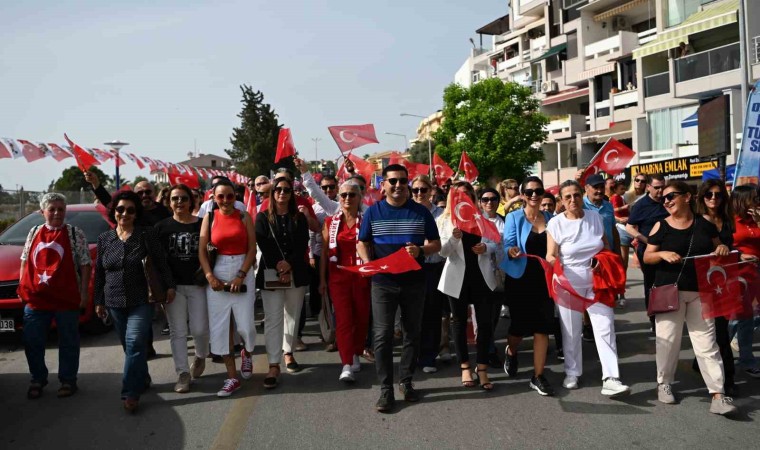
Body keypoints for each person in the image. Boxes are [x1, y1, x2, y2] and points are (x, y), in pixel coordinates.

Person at [643, 180, 736, 416]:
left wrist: (722, 249)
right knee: (668, 341)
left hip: (701, 292)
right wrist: (662, 253)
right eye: (664, 198)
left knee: (707, 344)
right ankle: (664, 383)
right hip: (669, 291)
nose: (667, 201)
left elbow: (718, 249)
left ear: (687, 197)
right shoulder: (660, 226)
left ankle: (718, 394)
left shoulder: (704, 224)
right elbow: (647, 257)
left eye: (671, 196)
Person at [357, 164, 441, 413]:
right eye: (392, 181)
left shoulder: (421, 212)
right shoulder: (373, 212)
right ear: (383, 185)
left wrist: (421, 250)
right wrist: (368, 263)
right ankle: (386, 389)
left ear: (408, 184)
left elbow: (436, 244)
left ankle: (406, 380)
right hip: (383, 283)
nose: (398, 185)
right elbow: (363, 242)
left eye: (402, 181)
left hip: (414, 282)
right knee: (382, 336)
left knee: (411, 333)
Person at [546, 180, 630, 397]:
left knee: (605, 326)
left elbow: (606, 245)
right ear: (562, 201)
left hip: (597, 281)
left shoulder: (595, 217)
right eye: (567, 197)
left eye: (576, 195)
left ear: (582, 195)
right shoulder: (555, 223)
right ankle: (572, 372)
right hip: (569, 284)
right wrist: (555, 265)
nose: (572, 200)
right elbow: (551, 253)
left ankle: (611, 377)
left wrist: (604, 261)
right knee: (571, 330)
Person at [94, 191, 176, 412]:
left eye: (130, 210)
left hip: (141, 299)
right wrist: (99, 301)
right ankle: (143, 377)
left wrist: (169, 286)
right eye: (121, 209)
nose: (125, 213)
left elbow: (161, 262)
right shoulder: (105, 239)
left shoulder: (145, 235)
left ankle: (130, 392)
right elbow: (100, 273)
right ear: (114, 212)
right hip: (114, 301)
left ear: (136, 213)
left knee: (134, 344)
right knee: (129, 347)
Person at [18, 193, 91, 399]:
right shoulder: (33, 232)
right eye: (52, 209)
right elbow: (24, 261)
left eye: (61, 209)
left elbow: (85, 265)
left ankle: (68, 380)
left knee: (68, 342)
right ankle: (37, 379)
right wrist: (23, 288)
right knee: (33, 341)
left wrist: (83, 294)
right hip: (36, 300)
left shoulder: (75, 234)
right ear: (43, 212)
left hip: (66, 300)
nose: (57, 213)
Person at [437, 181, 498, 391]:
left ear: (472, 197)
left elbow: (496, 242)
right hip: (456, 279)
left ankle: (482, 368)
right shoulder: (444, 220)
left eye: (467, 194)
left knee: (485, 323)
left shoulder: (481, 218)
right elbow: (442, 252)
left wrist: (486, 248)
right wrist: (454, 239)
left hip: (481, 277)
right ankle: (464, 366)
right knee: (459, 323)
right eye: (458, 195)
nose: (462, 198)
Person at [198, 179, 257, 397]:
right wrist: (209, 276)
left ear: (236, 197)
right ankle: (232, 377)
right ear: (213, 197)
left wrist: (241, 274)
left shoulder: (244, 216)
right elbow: (202, 250)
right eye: (220, 196)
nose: (225, 200)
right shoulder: (209, 218)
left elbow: (252, 248)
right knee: (220, 329)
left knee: (246, 326)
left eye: (229, 196)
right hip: (218, 269)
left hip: (242, 268)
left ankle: (247, 353)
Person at [502, 177, 556, 396]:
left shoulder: (552, 218)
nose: (534, 195)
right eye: (529, 191)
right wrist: (511, 251)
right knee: (519, 327)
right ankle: (511, 350)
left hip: (545, 278)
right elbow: (508, 243)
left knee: (542, 326)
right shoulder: (514, 217)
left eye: (538, 191)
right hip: (520, 278)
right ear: (522, 195)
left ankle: (538, 375)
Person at [256, 177, 311, 388]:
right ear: (272, 193)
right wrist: (280, 266)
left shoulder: (299, 217)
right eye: (278, 189)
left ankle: (288, 352)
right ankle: (273, 363)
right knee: (273, 319)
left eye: (287, 189)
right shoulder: (262, 217)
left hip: (296, 271)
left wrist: (289, 264)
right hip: (271, 273)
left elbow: (302, 243)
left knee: (292, 315)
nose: (282, 193)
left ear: (292, 193)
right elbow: (263, 243)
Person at [155, 184, 210, 393]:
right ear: (169, 202)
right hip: (173, 288)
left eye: (183, 198)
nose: (179, 202)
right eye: (175, 199)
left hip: (199, 285)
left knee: (200, 329)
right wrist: (163, 286)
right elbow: (157, 262)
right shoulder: (161, 228)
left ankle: (200, 355)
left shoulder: (203, 224)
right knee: (178, 331)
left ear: (191, 201)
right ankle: (183, 374)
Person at [319, 180, 370, 381]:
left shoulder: (367, 220)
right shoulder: (330, 223)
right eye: (343, 195)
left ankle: (356, 351)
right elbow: (324, 253)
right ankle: (346, 362)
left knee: (361, 317)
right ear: (338, 198)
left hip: (361, 276)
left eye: (352, 195)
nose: (347, 198)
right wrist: (322, 280)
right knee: (343, 319)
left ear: (360, 198)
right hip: (338, 277)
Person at [694, 180, 737, 394]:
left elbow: (730, 247)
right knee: (718, 330)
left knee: (720, 327)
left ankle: (698, 361)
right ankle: (728, 378)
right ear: (701, 197)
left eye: (718, 195)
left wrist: (739, 253)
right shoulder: (698, 222)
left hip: (725, 280)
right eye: (708, 194)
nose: (713, 198)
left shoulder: (727, 220)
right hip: (703, 282)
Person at [411, 175, 446, 374]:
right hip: (411, 268)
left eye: (423, 189)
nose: (419, 194)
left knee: (432, 313)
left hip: (434, 267)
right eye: (415, 190)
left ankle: (428, 356)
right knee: (412, 314)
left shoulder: (442, 214)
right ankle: (412, 355)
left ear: (431, 190)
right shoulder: (407, 211)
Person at [626, 174, 669, 332]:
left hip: (669, 250)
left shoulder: (669, 201)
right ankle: (654, 318)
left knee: (669, 284)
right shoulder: (641, 205)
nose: (660, 191)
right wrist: (646, 240)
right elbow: (629, 227)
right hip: (649, 252)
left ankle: (669, 315)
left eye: (662, 187)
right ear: (649, 187)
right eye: (656, 187)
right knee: (652, 285)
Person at [729, 185, 760, 379]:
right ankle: (745, 358)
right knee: (738, 318)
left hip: (756, 273)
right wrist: (740, 255)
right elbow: (723, 245)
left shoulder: (755, 219)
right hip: (738, 273)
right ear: (742, 199)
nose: (757, 200)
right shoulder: (730, 221)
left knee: (748, 318)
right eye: (754, 197)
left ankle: (745, 356)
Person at [479, 187, 506, 368]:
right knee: (484, 316)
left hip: (501, 274)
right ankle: (488, 351)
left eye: (493, 199)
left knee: (494, 314)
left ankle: (488, 347)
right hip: (481, 274)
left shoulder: (506, 220)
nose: (490, 202)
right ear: (480, 202)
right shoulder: (475, 222)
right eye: (485, 199)